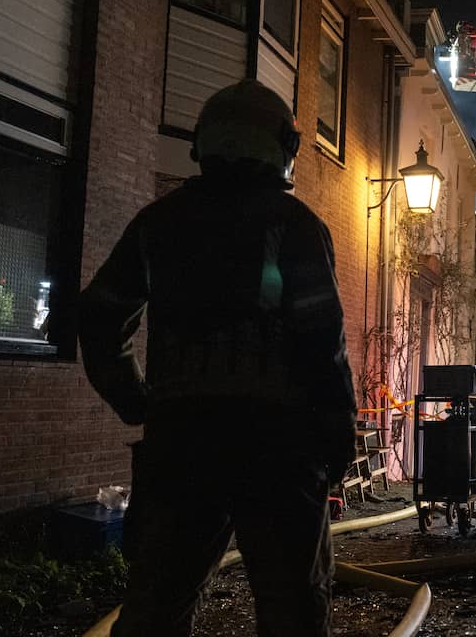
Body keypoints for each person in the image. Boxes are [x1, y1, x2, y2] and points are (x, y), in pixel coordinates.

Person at [79, 79, 357, 637]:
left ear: (205, 143)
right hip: (280, 452)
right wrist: (337, 441)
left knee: (156, 607)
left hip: (182, 446)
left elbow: (101, 315)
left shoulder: (160, 224)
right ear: (279, 148)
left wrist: (137, 400)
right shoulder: (296, 227)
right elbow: (323, 344)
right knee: (293, 613)